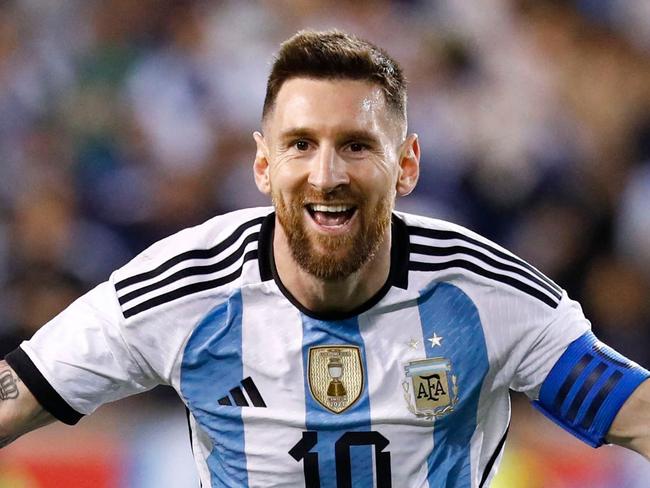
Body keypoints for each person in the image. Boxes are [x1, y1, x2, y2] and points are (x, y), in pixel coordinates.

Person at [1, 29, 649, 488]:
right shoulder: (181, 289)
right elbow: (17, 395)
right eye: (301, 144)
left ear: (407, 164)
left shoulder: (486, 295)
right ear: (262, 164)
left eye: (358, 145)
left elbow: (636, 414)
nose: (326, 173)